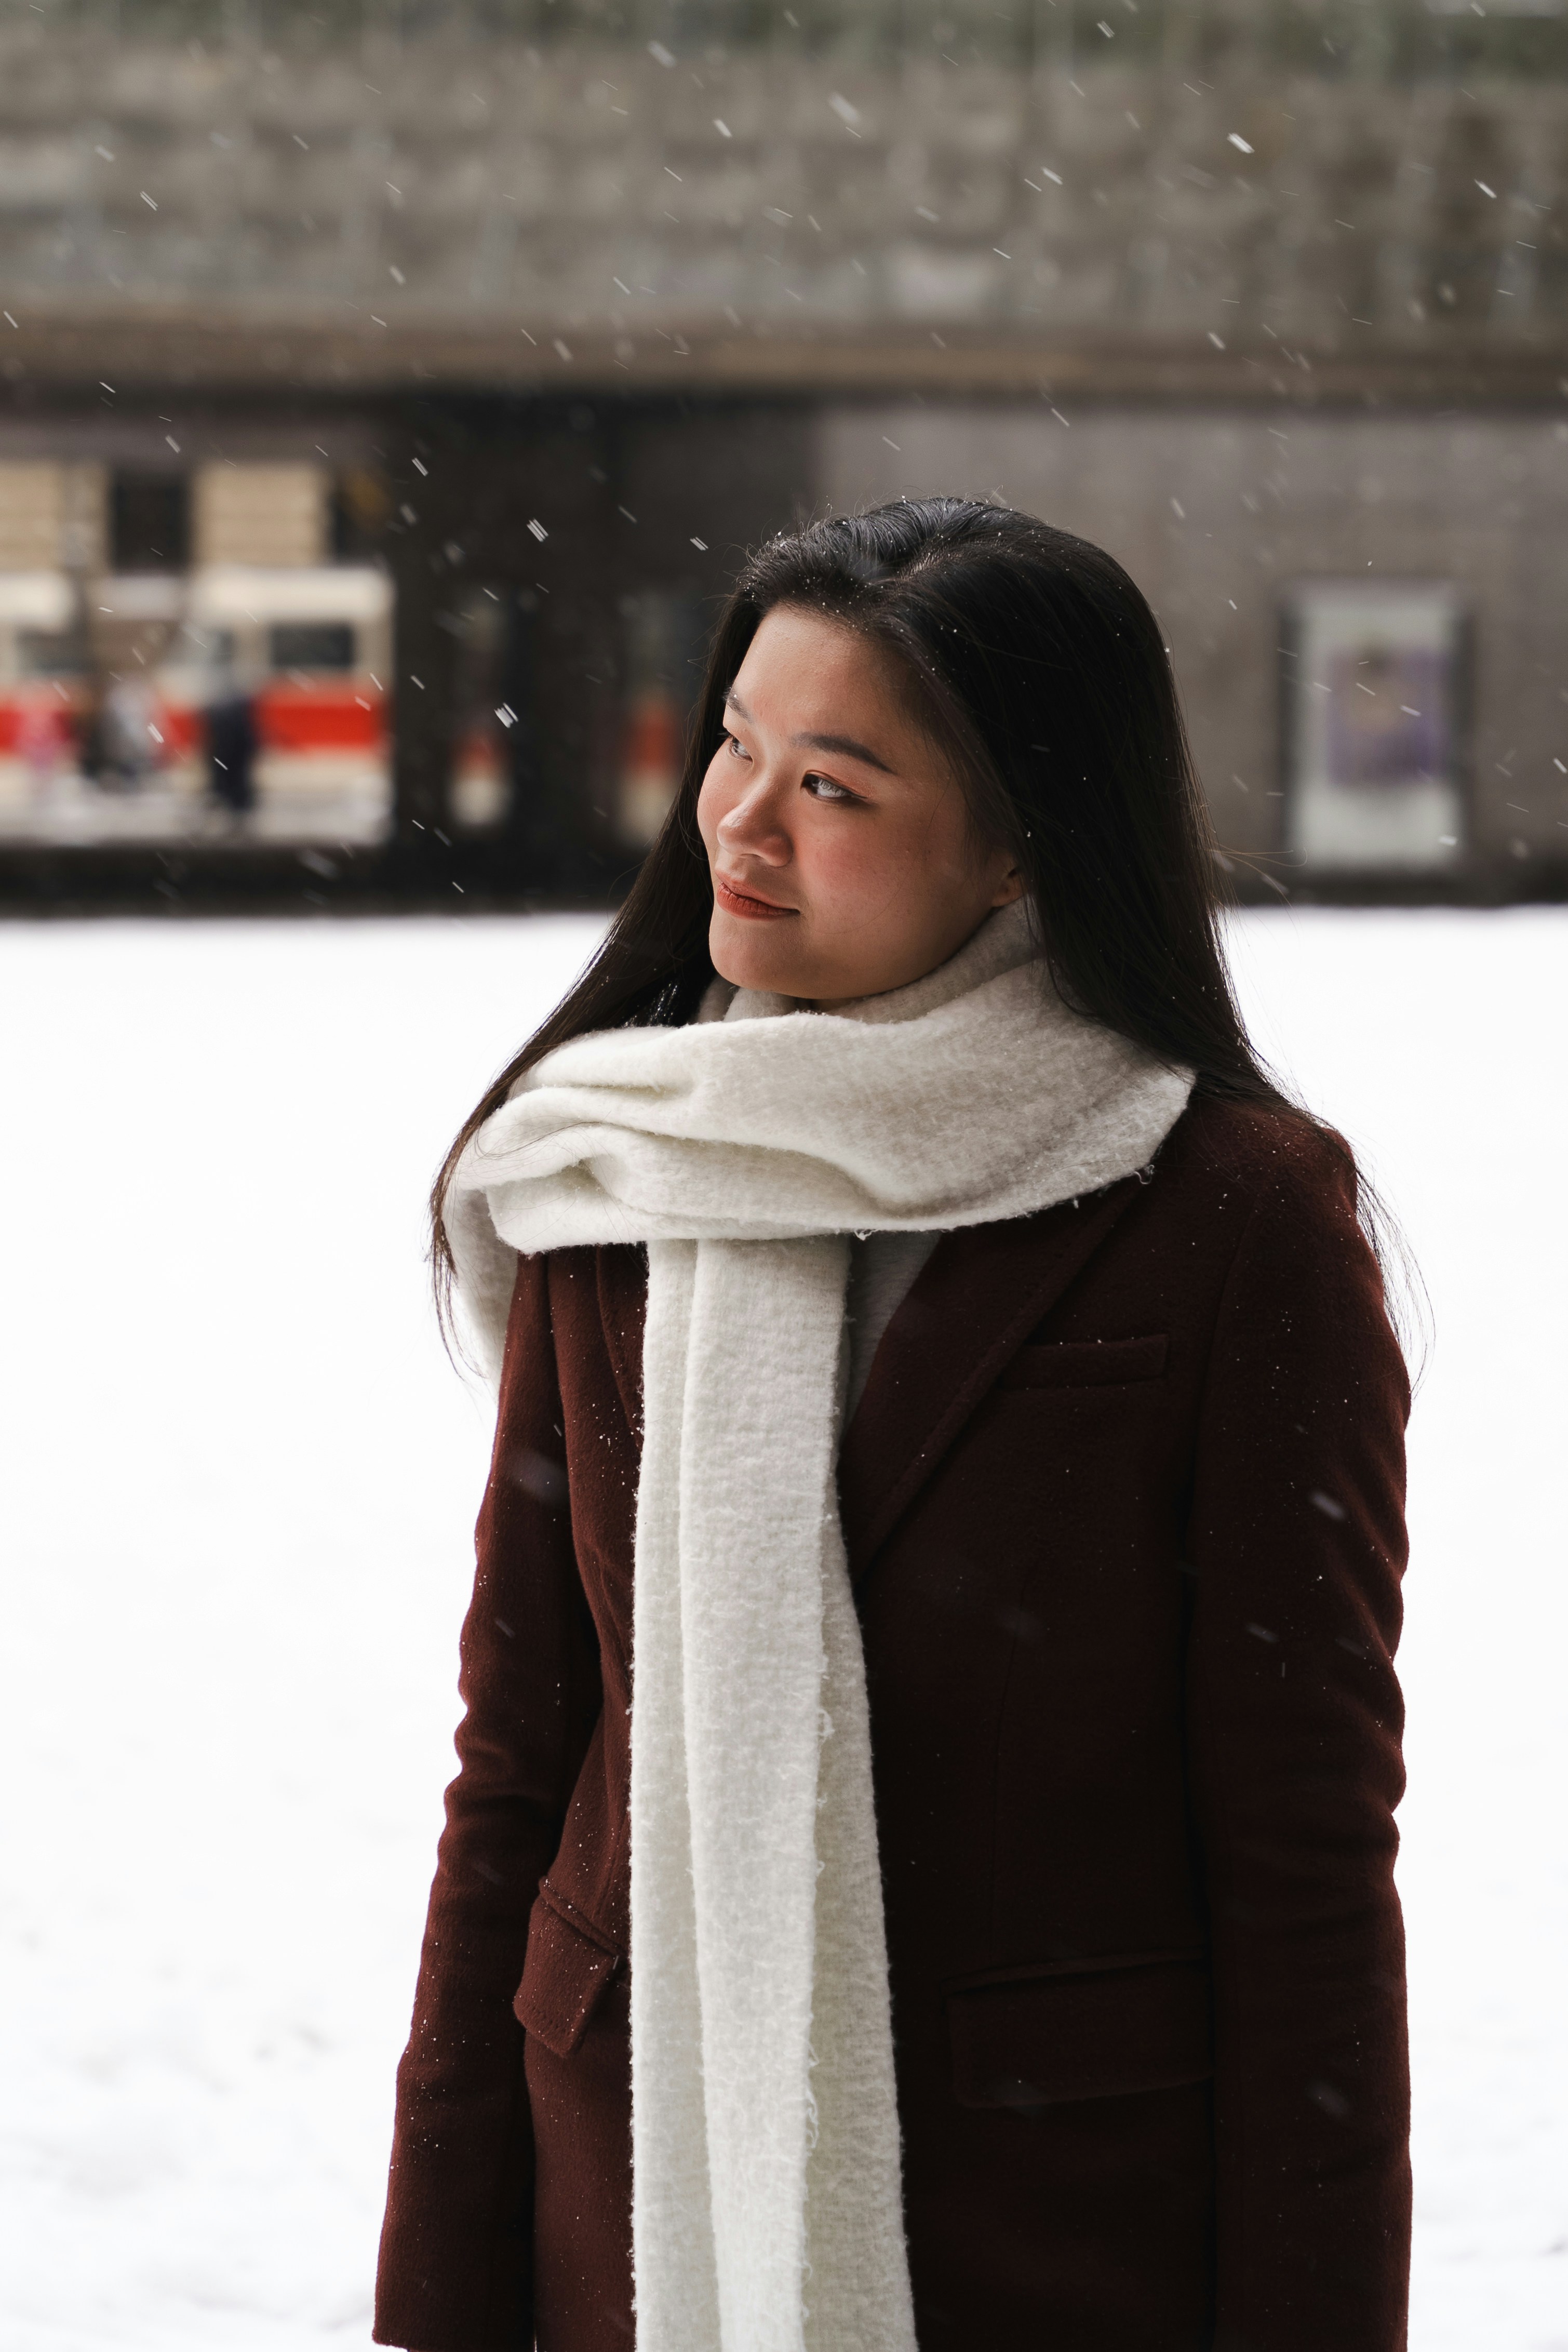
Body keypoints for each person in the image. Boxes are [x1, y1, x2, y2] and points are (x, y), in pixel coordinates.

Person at [374, 500, 1411, 2352]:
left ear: (1021, 844)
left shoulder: (1230, 1211)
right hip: (626, 2197)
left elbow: (1300, 1856)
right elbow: (522, 1767)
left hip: (1048, 2231)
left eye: (834, 786)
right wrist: (437, 2292)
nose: (740, 823)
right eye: (734, 747)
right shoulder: (611, 1169)